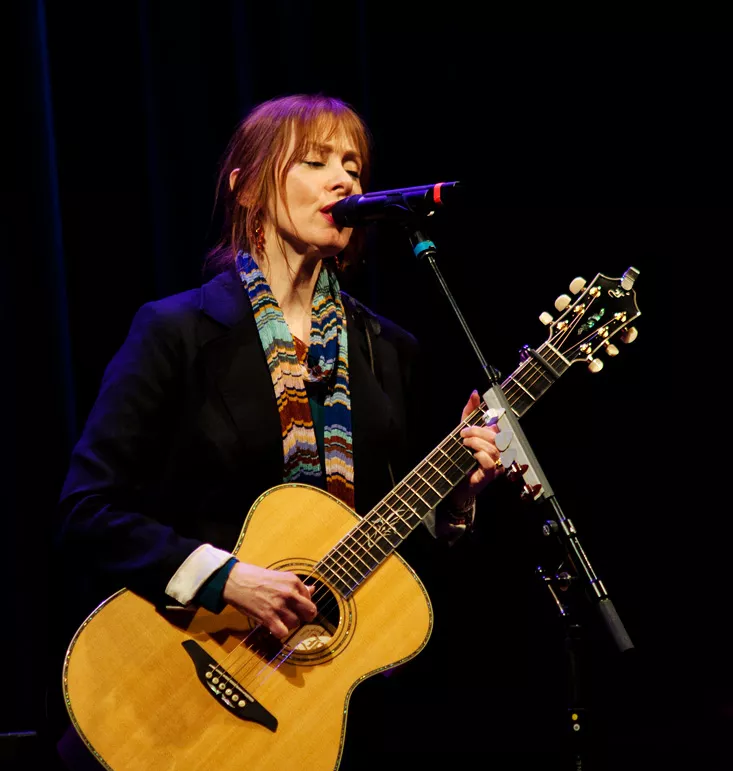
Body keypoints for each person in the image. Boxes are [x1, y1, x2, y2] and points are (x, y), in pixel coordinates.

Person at [57, 93, 502, 638]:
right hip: (198, 651)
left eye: (353, 168)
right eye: (316, 162)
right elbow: (88, 513)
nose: (344, 183)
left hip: (329, 675)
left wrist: (453, 501)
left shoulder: (384, 347)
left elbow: (387, 552)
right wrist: (228, 578)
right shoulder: (176, 332)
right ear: (247, 189)